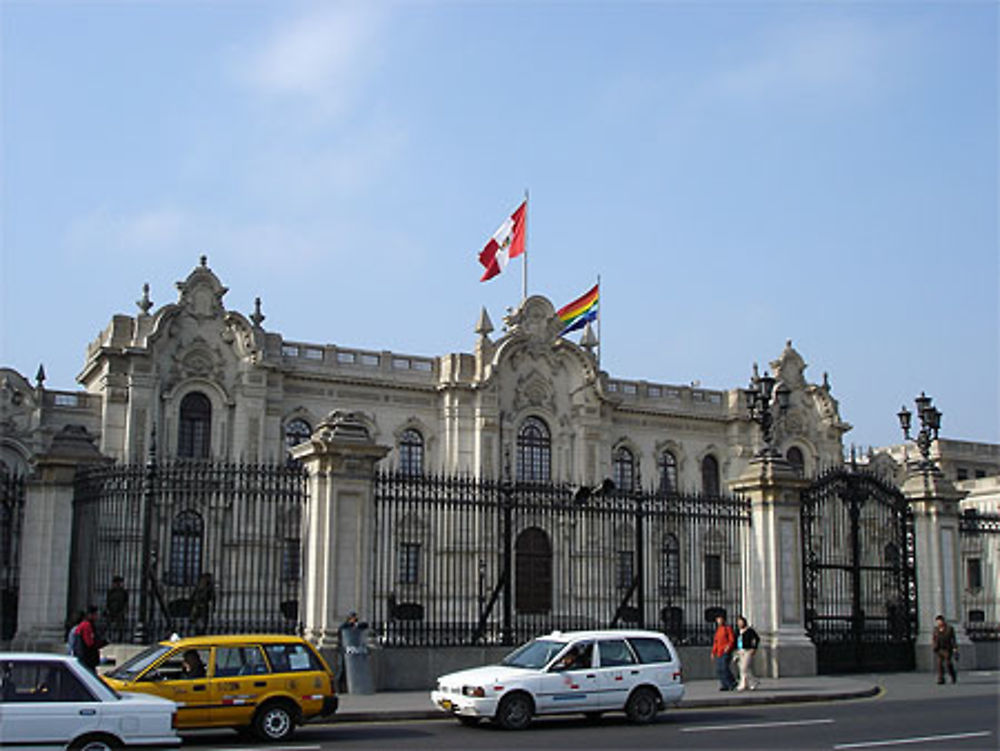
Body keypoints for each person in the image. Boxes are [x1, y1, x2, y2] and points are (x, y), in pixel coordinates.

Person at [72, 605, 107, 673]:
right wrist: (100, 643)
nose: (97, 617)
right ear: (90, 615)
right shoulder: (86, 626)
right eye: (95, 614)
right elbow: (89, 643)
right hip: (87, 659)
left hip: (85, 659)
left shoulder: (84, 625)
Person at [711, 613, 737, 691]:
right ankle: (724, 684)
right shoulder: (718, 630)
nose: (719, 621)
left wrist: (728, 646)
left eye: (720, 619)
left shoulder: (727, 628)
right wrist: (713, 652)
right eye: (718, 619)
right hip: (719, 651)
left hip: (725, 651)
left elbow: (731, 639)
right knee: (719, 669)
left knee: (724, 667)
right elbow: (716, 642)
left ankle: (731, 682)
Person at [734, 615, 760, 691]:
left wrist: (754, 648)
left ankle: (753, 681)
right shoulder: (738, 631)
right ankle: (746, 684)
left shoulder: (750, 630)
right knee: (743, 668)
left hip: (747, 650)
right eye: (738, 622)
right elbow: (735, 641)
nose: (739, 623)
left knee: (744, 667)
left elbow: (756, 639)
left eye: (740, 622)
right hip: (740, 650)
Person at [931, 614, 957, 684]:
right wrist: (934, 646)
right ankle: (941, 678)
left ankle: (952, 675)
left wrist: (955, 648)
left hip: (947, 649)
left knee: (948, 663)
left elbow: (953, 639)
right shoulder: (936, 629)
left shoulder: (949, 629)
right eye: (937, 621)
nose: (939, 623)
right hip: (939, 649)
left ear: (943, 621)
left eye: (940, 621)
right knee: (939, 664)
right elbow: (934, 638)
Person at [104, 575, 129, 642]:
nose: (118, 584)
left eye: (119, 583)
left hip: (120, 611)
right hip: (111, 610)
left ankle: (119, 639)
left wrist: (124, 610)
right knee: (109, 625)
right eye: (116, 583)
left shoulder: (123, 592)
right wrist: (107, 609)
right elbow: (108, 602)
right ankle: (109, 638)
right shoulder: (111, 592)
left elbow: (126, 602)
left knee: (120, 626)